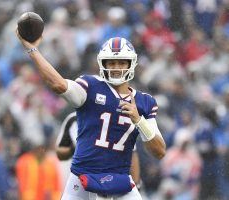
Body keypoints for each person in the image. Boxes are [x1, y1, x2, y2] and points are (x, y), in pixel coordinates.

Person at [16, 29, 166, 199]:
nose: (116, 68)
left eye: (121, 63)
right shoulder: (91, 86)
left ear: (131, 64)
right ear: (103, 64)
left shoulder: (144, 102)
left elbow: (159, 151)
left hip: (120, 181)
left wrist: (139, 121)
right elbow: (58, 84)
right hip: (82, 178)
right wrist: (32, 50)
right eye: (111, 63)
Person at [56, 112, 140, 186]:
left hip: (113, 179)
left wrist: (136, 183)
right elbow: (59, 153)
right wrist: (74, 148)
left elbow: (132, 153)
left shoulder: (117, 119)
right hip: (81, 178)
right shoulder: (74, 119)